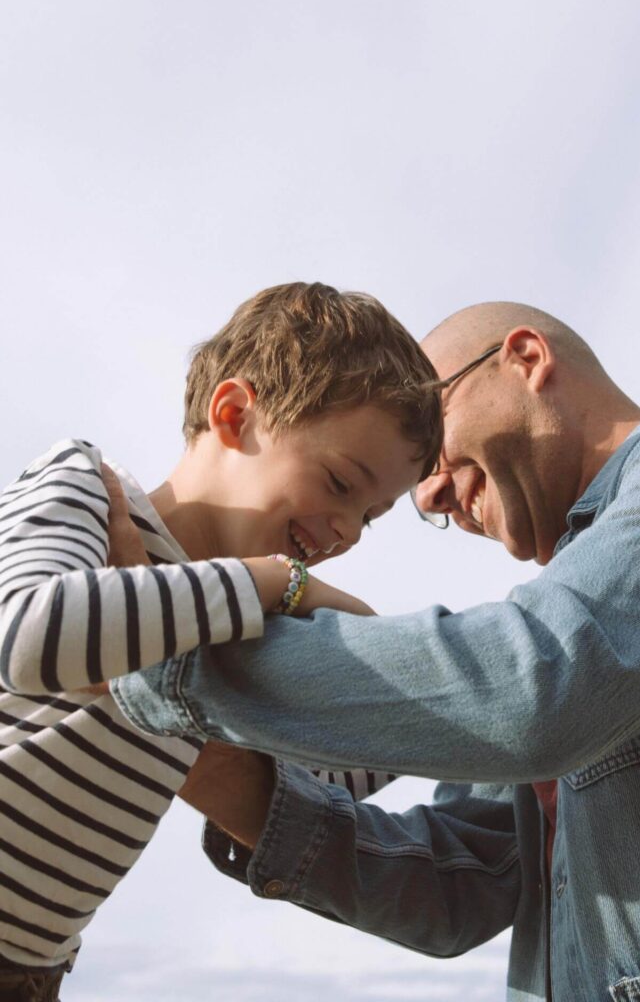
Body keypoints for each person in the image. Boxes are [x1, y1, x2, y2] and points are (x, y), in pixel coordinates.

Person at [111, 302, 640, 1002]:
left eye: (433, 440)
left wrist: (146, 648)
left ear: (526, 359)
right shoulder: (583, 600)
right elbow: (461, 884)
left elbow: (535, 692)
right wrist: (208, 758)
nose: (432, 493)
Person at [0, 281, 442, 999]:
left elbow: (352, 764)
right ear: (234, 415)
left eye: (371, 516)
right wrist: (276, 582)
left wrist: (331, 629)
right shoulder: (85, 483)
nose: (348, 532)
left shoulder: (241, 628)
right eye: (338, 483)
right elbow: (25, 637)